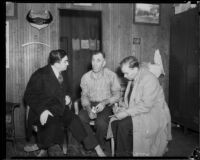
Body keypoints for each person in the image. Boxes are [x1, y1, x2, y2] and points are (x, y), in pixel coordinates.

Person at [24, 49, 105, 157]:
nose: (68, 63)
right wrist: (42, 110)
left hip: (60, 109)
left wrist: (69, 99)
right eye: (65, 61)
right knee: (54, 127)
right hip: (43, 111)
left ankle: (96, 147)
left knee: (75, 120)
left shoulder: (64, 74)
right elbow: (28, 96)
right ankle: (50, 149)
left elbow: (69, 92)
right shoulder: (40, 74)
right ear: (57, 63)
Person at [109, 56, 172, 156]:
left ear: (135, 69)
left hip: (153, 114)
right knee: (115, 123)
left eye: (126, 73)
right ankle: (128, 151)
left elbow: (146, 105)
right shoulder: (132, 79)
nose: (124, 76)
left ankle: (123, 154)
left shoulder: (149, 79)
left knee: (123, 125)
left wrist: (125, 112)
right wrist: (120, 107)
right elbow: (131, 101)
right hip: (141, 110)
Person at [78, 51, 121, 155]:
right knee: (79, 118)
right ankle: (97, 148)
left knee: (101, 123)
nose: (94, 63)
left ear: (104, 63)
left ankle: (99, 145)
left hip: (106, 105)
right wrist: (88, 110)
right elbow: (84, 96)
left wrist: (105, 102)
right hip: (90, 104)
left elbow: (117, 95)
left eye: (98, 60)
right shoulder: (86, 77)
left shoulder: (111, 75)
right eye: (93, 60)